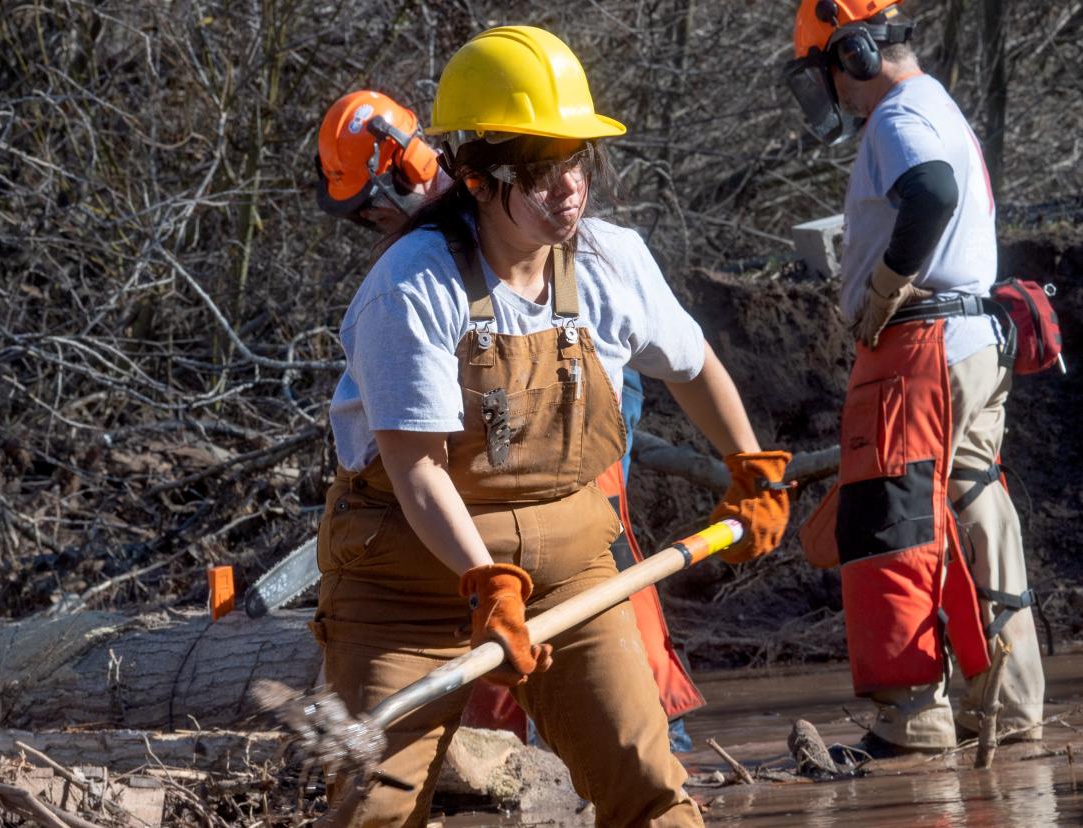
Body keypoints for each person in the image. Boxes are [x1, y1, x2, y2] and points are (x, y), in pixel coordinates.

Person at [312, 25, 791, 826]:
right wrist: (485, 582)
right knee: (378, 809)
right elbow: (419, 471)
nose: (566, 188)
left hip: (569, 567)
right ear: (474, 174)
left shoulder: (610, 262)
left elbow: (695, 362)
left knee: (647, 783)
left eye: (577, 161)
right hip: (408, 580)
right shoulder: (410, 290)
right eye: (538, 171)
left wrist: (749, 466)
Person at [315, 90, 701, 752]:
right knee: (497, 568)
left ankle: (649, 728)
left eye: (372, 204)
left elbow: (690, 363)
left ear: (404, 172)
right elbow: (417, 463)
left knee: (590, 538)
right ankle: (511, 745)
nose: (373, 220)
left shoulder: (524, 226)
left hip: (566, 429)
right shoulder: (414, 271)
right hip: (462, 511)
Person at [787, 0, 1044, 756]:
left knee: (890, 518)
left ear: (856, 53)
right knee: (973, 507)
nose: (833, 90)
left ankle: (913, 717)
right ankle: (1007, 700)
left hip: (919, 348)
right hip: (971, 338)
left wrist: (887, 283)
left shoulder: (900, 117)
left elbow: (930, 192)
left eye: (829, 69)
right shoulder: (939, 108)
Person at [316, 90, 447, 234]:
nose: (365, 215)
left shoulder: (471, 202)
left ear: (415, 161)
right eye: (357, 207)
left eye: (370, 201)